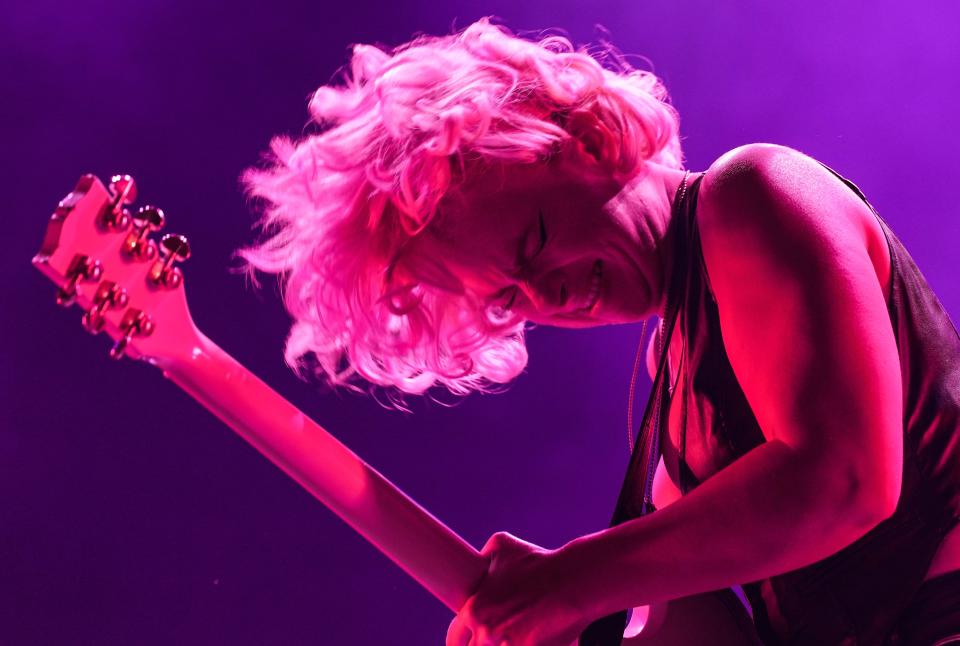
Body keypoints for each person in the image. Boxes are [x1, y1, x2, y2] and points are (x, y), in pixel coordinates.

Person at [237, 18, 960, 646]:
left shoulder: (752, 194)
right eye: (509, 297)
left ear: (585, 138)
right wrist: (564, 610)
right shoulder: (671, 377)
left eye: (536, 242)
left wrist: (574, 580)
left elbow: (845, 479)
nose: (546, 292)